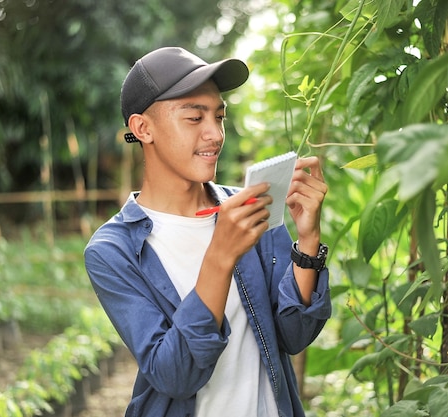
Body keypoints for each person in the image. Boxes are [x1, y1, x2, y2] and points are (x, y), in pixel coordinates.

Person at [84, 46, 331, 417]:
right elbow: (174, 376)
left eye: (219, 116)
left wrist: (307, 241)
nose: (215, 134)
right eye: (194, 118)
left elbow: (294, 336)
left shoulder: (248, 209)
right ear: (142, 128)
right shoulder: (113, 249)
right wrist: (219, 257)